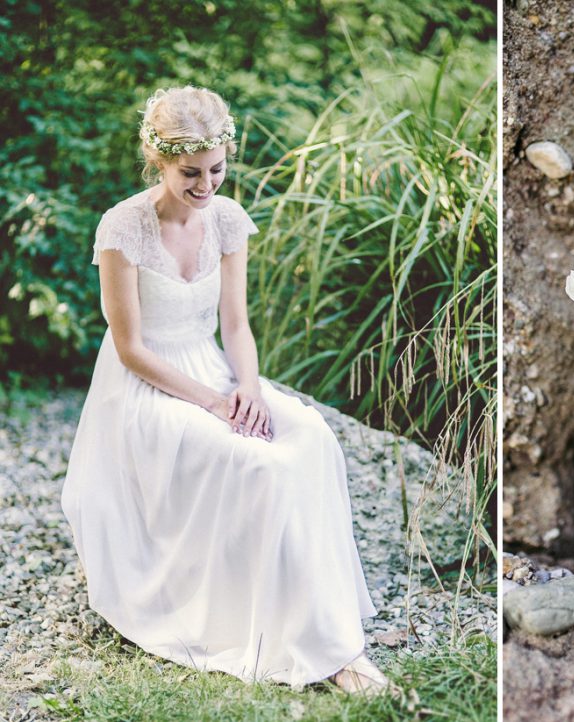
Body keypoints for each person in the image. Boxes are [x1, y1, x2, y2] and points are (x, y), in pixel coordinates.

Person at [61, 86, 388, 693]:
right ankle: (321, 652)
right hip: (145, 386)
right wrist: (212, 404)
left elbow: (236, 324)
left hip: (214, 368)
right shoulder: (122, 228)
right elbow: (130, 348)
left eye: (217, 169)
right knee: (254, 464)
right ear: (157, 161)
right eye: (191, 173)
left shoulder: (229, 219)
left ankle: (317, 615)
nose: (207, 186)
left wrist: (249, 389)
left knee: (311, 436)